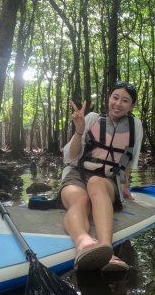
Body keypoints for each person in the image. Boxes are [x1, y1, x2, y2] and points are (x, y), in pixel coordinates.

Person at [60, 81, 143, 272]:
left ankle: (107, 250)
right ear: (109, 98)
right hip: (77, 175)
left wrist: (124, 186)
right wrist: (79, 130)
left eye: (125, 100)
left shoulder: (135, 125)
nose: (118, 103)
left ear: (131, 106)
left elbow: (129, 161)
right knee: (80, 199)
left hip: (106, 179)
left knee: (96, 182)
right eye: (115, 97)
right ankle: (83, 243)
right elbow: (71, 156)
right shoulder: (91, 118)